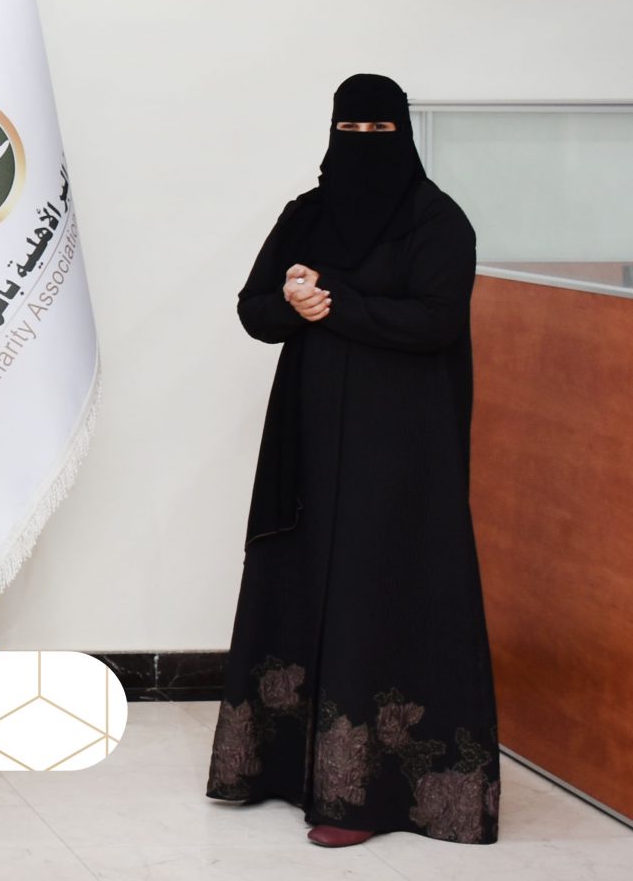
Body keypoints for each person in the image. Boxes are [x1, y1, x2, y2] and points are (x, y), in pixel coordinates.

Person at [208, 74, 498, 848]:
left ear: (404, 134)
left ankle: (362, 796)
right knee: (301, 577)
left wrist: (334, 300)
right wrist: (291, 302)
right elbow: (254, 310)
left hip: (400, 452)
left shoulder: (438, 221)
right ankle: (278, 770)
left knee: (379, 590)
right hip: (305, 445)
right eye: (351, 131)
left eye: (379, 133)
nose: (364, 147)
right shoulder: (306, 215)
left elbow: (436, 321)